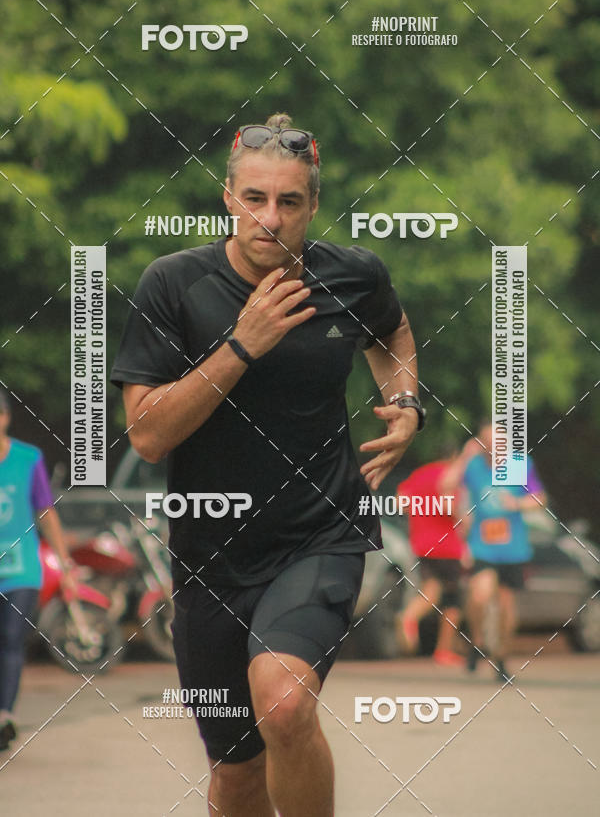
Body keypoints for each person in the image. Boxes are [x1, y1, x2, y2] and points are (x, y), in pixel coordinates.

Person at [111, 113, 424, 817]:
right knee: (236, 776)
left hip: (321, 535)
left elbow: (393, 330)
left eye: (289, 202)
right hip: (211, 553)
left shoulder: (353, 274)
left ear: (313, 205)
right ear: (228, 197)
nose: (270, 219)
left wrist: (404, 401)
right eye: (255, 199)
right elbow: (148, 437)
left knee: (283, 706)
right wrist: (241, 344)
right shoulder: (172, 286)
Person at [0, 390, 77, 750]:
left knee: (11, 638)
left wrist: (65, 562)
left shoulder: (28, 459)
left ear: (5, 417)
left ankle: (5, 715)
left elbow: (46, 511)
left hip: (21, 570)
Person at [441, 424, 546, 681]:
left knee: (506, 606)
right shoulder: (473, 465)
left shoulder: (520, 464)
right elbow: (444, 486)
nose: (494, 450)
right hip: (481, 545)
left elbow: (540, 499)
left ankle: (501, 657)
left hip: (514, 549)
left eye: (499, 444)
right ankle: (478, 642)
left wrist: (518, 503)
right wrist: (465, 456)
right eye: (488, 444)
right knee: (478, 596)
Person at [396, 448, 467, 667]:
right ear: (454, 457)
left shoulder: (420, 474)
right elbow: (451, 508)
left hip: (421, 544)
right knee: (454, 600)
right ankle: (444, 650)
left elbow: (400, 501)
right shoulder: (451, 477)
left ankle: (409, 616)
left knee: (432, 590)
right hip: (448, 545)